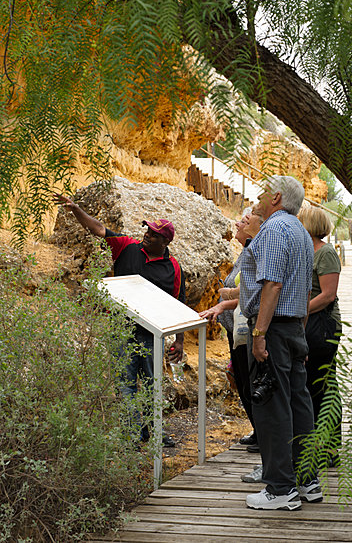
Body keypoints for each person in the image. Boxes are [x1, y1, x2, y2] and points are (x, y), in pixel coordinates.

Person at [53, 193, 185, 447]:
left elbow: (180, 304)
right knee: (125, 385)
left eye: (154, 234)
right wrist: (76, 209)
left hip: (152, 334)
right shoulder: (127, 246)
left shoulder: (174, 267)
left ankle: (155, 432)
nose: (147, 235)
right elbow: (98, 229)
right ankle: (133, 436)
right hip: (121, 329)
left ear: (165, 241)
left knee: (151, 385)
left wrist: (179, 341)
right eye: (147, 230)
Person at [239, 175, 322, 511]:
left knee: (272, 406)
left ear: (275, 197)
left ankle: (280, 487)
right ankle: (307, 481)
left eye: (261, 192)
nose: (257, 199)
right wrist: (299, 332)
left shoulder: (274, 229)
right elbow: (302, 290)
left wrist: (259, 335)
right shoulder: (301, 232)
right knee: (299, 403)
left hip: (272, 328)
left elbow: (272, 285)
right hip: (293, 328)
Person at [199, 208, 263, 452]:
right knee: (242, 380)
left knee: (249, 382)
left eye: (244, 221)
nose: (237, 223)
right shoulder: (245, 251)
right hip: (235, 330)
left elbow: (255, 289)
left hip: (247, 331)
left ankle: (262, 433)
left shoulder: (255, 251)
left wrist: (226, 298)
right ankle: (258, 430)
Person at [297, 203, 342, 466]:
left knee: (323, 385)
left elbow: (327, 295)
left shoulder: (325, 253)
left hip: (322, 325)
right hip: (307, 323)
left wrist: (301, 311)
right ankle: (314, 443)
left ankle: (330, 448)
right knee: (311, 383)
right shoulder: (306, 251)